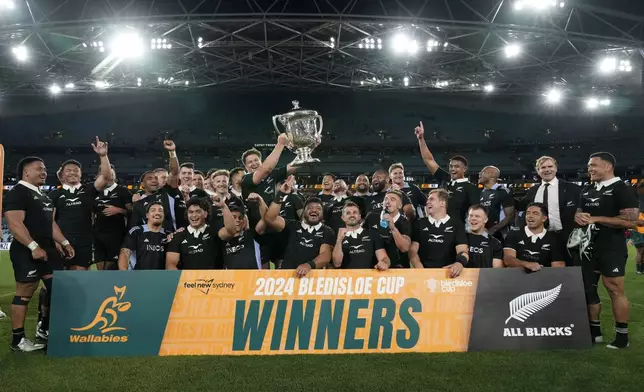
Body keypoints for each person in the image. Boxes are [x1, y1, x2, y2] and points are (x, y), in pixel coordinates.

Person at [4, 156, 75, 351]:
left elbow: (50, 224)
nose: (44, 172)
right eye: (39, 169)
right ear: (26, 172)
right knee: (25, 293)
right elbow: (14, 223)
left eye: (44, 169)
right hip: (28, 250)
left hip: (49, 250)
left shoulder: (43, 195)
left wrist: (64, 241)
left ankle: (45, 328)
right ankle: (18, 340)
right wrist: (33, 246)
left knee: (58, 288)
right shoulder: (18, 192)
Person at [573, 152, 639, 349]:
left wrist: (596, 219)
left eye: (593, 165)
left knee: (614, 289)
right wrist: (579, 218)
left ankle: (622, 337)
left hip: (611, 247)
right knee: (587, 290)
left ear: (608, 166)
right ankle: (595, 333)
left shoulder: (622, 189)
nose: (589, 169)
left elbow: (632, 221)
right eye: (588, 166)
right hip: (586, 247)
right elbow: (579, 214)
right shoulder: (586, 189)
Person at [49, 137, 113, 270]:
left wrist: (103, 155)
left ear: (81, 174)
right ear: (61, 175)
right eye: (68, 170)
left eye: (76, 170)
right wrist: (58, 240)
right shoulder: (54, 194)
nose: (73, 172)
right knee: (59, 282)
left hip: (84, 243)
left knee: (80, 279)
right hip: (61, 242)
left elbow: (106, 178)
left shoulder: (88, 190)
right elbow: (50, 221)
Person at [516, 156, 580, 265]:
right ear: (538, 171)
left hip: (565, 237)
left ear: (556, 168)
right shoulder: (533, 190)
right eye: (543, 167)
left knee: (568, 272)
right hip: (541, 238)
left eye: (550, 166)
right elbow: (521, 207)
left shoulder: (571, 188)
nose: (547, 170)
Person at [415, 121, 480, 223]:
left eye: (457, 166)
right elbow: (429, 160)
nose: (453, 169)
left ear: (465, 169)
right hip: (436, 227)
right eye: (451, 166)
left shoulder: (470, 188)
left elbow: (476, 213)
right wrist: (421, 139)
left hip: (457, 230)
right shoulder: (444, 178)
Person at [264, 191, 335, 278]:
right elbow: (270, 218)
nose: (314, 210)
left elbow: (325, 255)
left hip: (311, 279)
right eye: (310, 208)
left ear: (323, 213)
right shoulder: (292, 225)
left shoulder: (327, 231)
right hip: (286, 277)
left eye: (318, 208)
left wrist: (308, 265)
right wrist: (281, 194)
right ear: (303, 211)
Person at [409, 189, 469, 277]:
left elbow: (463, 250)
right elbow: (412, 250)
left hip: (448, 275)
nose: (427, 202)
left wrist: (459, 263)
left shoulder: (456, 224)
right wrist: (419, 268)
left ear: (442, 203)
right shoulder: (419, 223)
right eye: (427, 200)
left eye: (431, 199)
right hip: (423, 274)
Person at [130, 140, 183, 231]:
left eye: (155, 178)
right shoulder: (138, 203)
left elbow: (174, 172)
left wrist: (172, 152)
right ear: (142, 184)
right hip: (148, 241)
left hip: (171, 238)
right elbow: (134, 228)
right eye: (149, 179)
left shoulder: (167, 192)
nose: (154, 180)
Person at [166, 198, 228, 270]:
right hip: (188, 281)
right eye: (191, 212)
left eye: (198, 212)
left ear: (205, 214)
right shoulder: (178, 236)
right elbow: (170, 265)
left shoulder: (215, 232)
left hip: (215, 280)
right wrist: (185, 281)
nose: (194, 215)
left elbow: (231, 230)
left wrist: (223, 206)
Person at [503, 202, 565, 271]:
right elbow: (508, 260)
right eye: (528, 213)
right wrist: (527, 264)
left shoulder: (554, 238)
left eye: (535, 213)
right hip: (517, 278)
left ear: (544, 218)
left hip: (544, 278)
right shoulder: (514, 233)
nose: (530, 216)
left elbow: (558, 267)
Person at [93, 164, 132, 270]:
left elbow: (132, 212)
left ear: (114, 174)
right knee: (101, 270)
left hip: (116, 236)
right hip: (98, 236)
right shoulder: (95, 192)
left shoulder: (123, 191)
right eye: (103, 173)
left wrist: (119, 210)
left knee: (110, 269)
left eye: (110, 172)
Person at [332, 201, 390, 270]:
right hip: (347, 279)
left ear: (359, 216)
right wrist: (339, 240)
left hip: (369, 279)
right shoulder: (338, 237)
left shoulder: (373, 235)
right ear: (343, 217)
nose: (352, 215)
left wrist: (384, 263)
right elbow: (337, 263)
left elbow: (384, 258)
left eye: (355, 212)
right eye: (348, 213)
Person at [363, 190, 412, 268]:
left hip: (398, 268)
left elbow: (404, 248)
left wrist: (393, 228)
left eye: (392, 199)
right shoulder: (371, 217)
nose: (387, 202)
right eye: (386, 199)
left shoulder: (405, 222)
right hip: (375, 266)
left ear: (399, 206)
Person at [219, 195, 267, 270]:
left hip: (252, 279)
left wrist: (261, 201)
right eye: (233, 217)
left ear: (244, 219)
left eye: (240, 217)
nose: (237, 220)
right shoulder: (222, 239)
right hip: (232, 280)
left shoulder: (251, 234)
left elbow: (265, 220)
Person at [118, 202, 168, 270]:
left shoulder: (168, 235)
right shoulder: (136, 231)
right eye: (153, 210)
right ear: (147, 215)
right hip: (139, 276)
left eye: (160, 210)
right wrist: (125, 275)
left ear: (164, 215)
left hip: (163, 277)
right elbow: (124, 254)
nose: (157, 213)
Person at [479, 165, 515, 242]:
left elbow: (510, 216)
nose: (479, 174)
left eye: (482, 172)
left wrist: (492, 230)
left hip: (499, 235)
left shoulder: (503, 191)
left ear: (492, 174)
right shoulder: (480, 192)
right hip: (482, 233)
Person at [633, 180, 644, 274]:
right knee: (640, 251)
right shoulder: (639, 199)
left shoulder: (639, 200)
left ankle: (641, 269)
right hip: (639, 229)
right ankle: (639, 269)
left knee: (641, 251)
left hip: (639, 229)